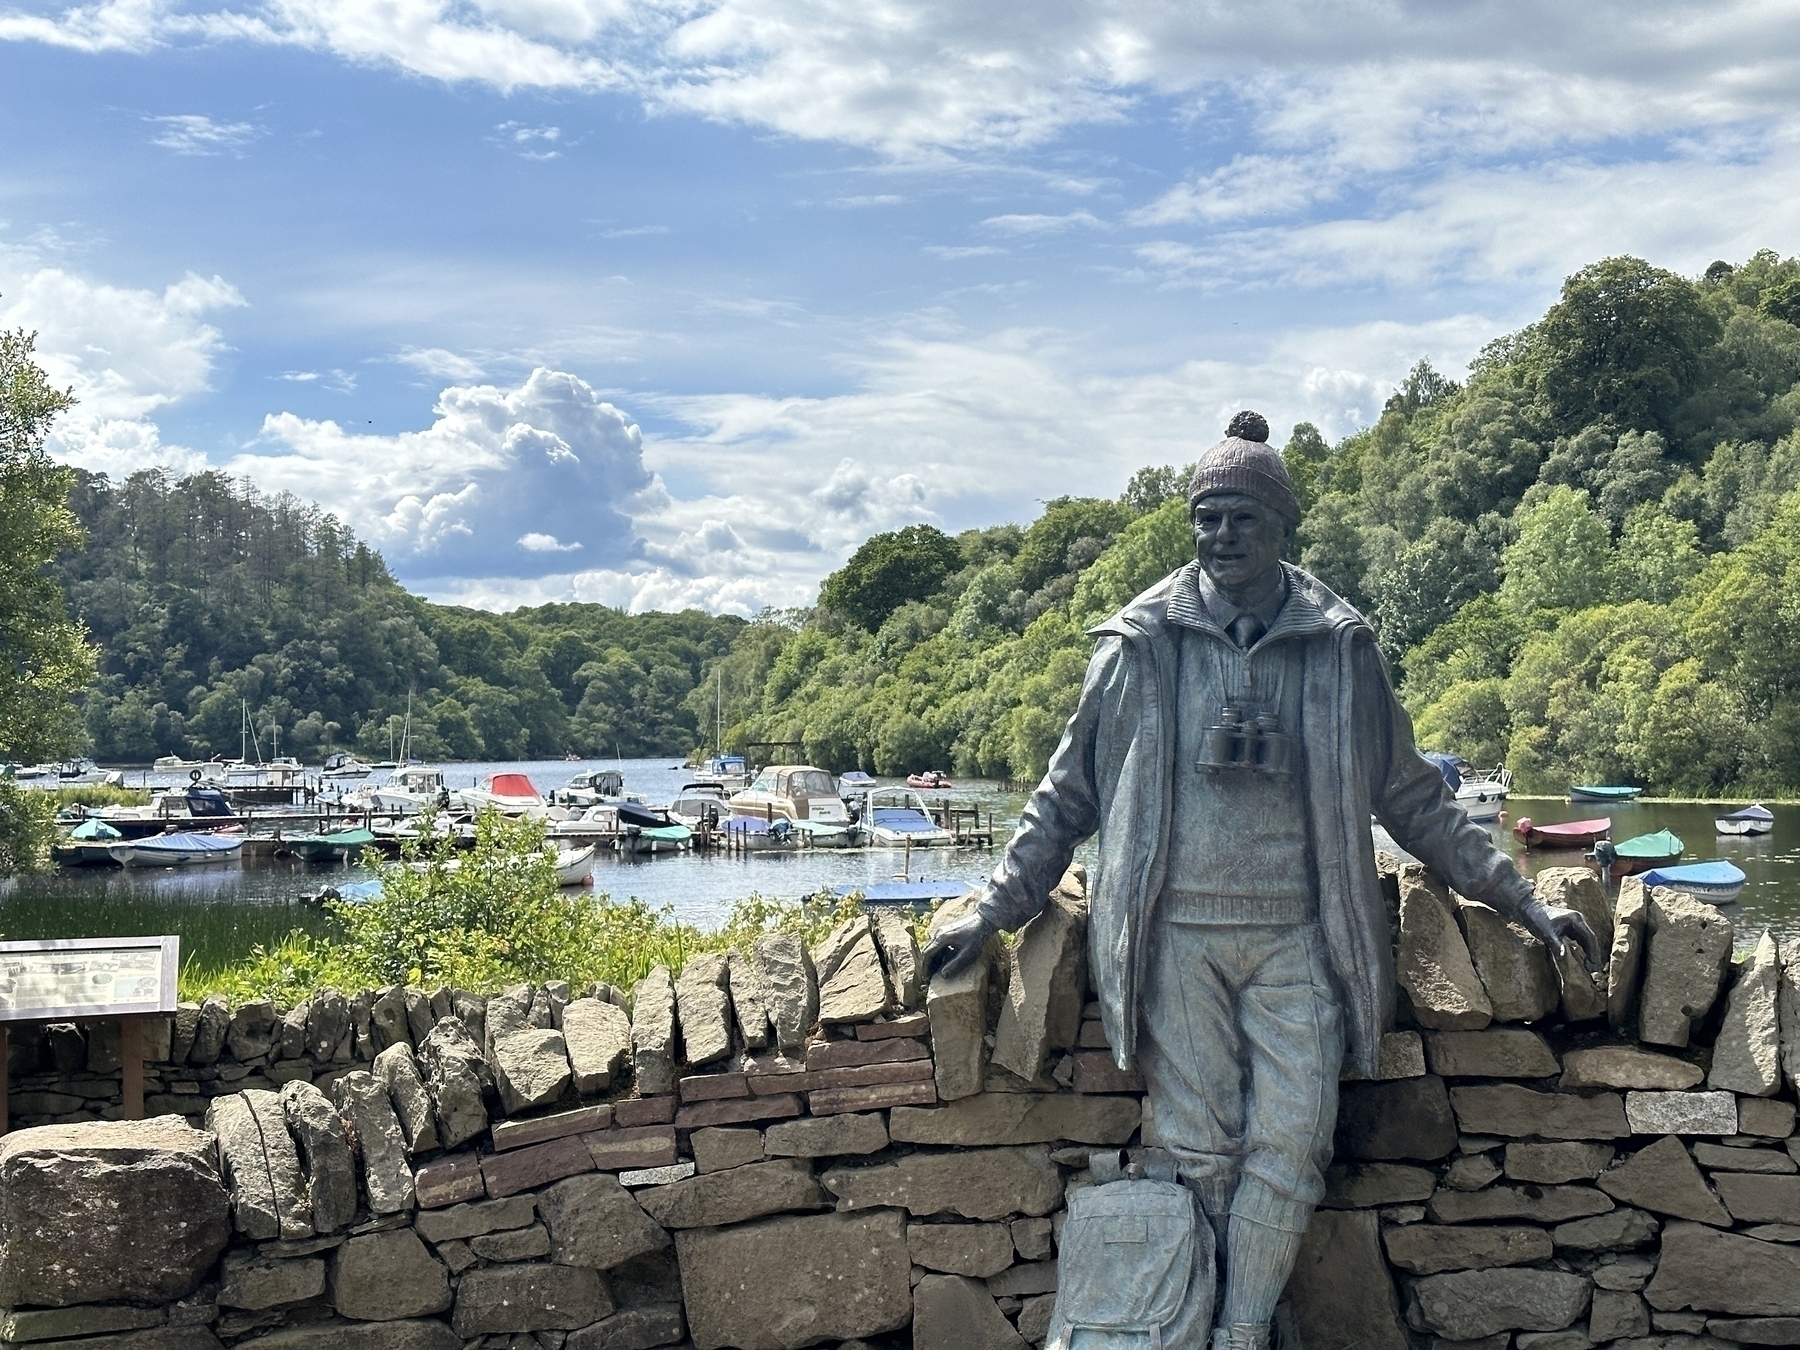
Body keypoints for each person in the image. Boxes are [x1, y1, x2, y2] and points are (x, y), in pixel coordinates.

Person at [924, 411, 1598, 1350]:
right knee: (1201, 1155)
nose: (1222, 537)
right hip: (1175, 942)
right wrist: (996, 909)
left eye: (1241, 518)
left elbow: (1413, 798)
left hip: (1299, 938)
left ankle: (1242, 1332)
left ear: (1282, 528)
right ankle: (1206, 1328)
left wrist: (1526, 897)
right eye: (1206, 518)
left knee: (1294, 1146)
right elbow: (1065, 796)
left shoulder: (1339, 648)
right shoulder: (1138, 646)